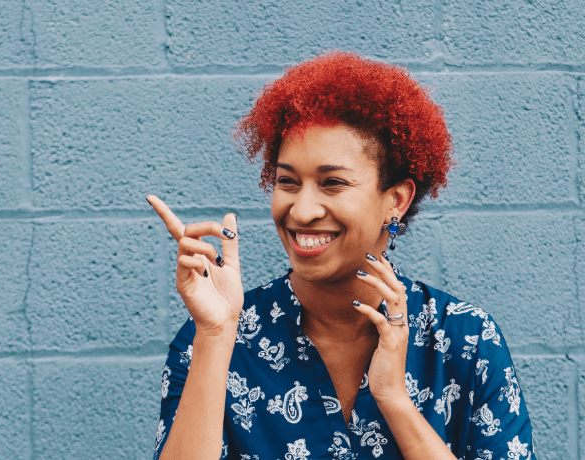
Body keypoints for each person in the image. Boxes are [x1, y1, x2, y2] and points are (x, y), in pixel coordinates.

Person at [146, 52, 536, 460]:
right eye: (287, 181)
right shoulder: (215, 336)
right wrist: (214, 337)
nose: (302, 211)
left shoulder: (466, 340)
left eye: (332, 182)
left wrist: (394, 400)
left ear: (396, 201)